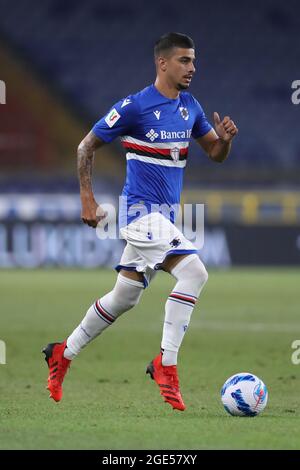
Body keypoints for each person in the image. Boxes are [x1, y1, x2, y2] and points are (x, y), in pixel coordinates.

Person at [42, 32, 238, 411]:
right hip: (139, 213)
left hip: (164, 218)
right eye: (184, 60)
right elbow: (86, 146)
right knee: (195, 273)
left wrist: (226, 140)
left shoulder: (190, 107)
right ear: (162, 63)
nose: (192, 68)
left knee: (124, 297)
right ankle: (166, 364)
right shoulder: (135, 106)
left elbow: (214, 152)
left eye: (194, 61)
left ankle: (63, 352)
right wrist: (87, 197)